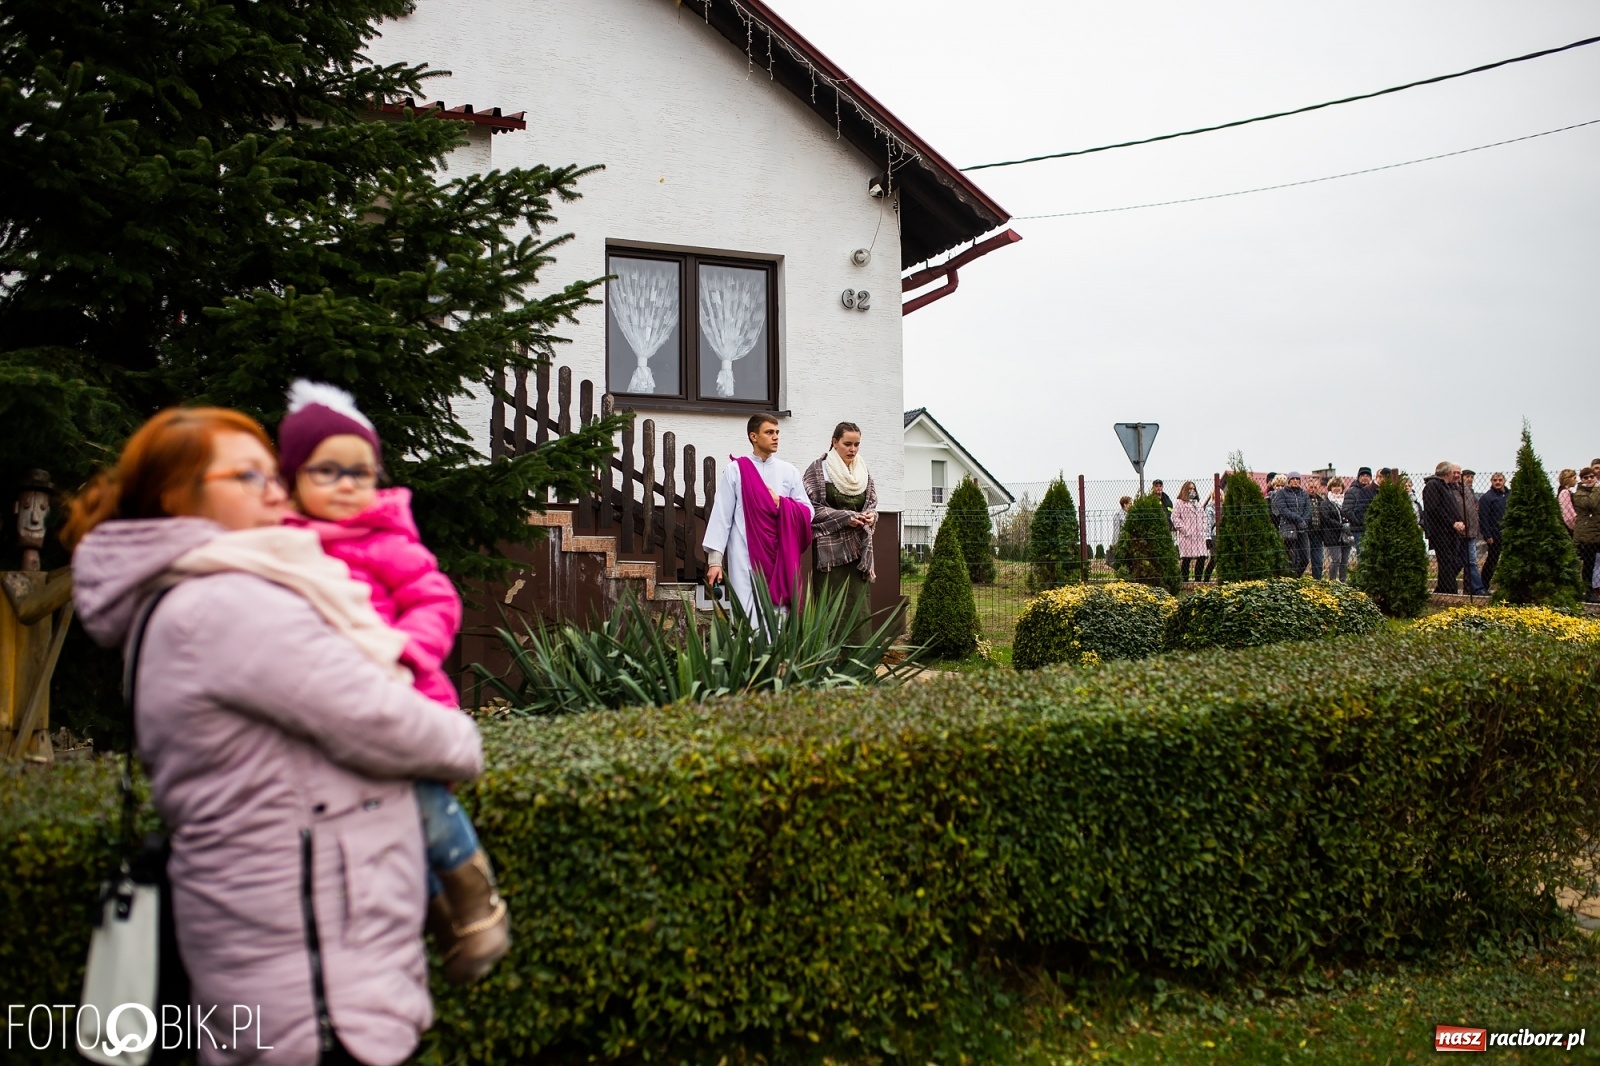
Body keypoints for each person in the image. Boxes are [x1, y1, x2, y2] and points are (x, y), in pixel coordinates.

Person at [66, 407, 483, 1066]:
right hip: (311, 992)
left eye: (272, 473)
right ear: (179, 496)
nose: (275, 490)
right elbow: (379, 719)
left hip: (282, 957)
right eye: (247, 475)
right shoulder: (226, 605)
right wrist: (460, 738)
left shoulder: (195, 593)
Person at [277, 381, 508, 985]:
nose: (348, 483)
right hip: (328, 711)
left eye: (361, 471)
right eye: (327, 470)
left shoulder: (387, 539)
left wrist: (405, 650)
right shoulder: (282, 549)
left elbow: (435, 600)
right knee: (388, 823)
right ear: (293, 476)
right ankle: (439, 918)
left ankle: (475, 897)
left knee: (425, 799)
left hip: (403, 696)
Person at [704, 413, 814, 619]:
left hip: (781, 557)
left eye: (777, 432)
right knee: (747, 613)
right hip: (744, 555)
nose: (776, 437)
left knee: (778, 616)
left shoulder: (789, 471)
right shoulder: (736, 470)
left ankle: (777, 652)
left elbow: (808, 512)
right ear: (753, 436)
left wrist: (781, 503)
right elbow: (722, 515)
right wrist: (715, 562)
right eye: (769, 432)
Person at [802, 422, 878, 644]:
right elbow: (810, 508)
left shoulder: (863, 472)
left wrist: (872, 516)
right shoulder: (817, 471)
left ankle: (859, 668)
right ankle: (830, 670)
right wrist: (846, 517)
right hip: (831, 556)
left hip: (858, 555)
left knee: (858, 607)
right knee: (831, 607)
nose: (852, 449)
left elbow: (872, 503)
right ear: (834, 442)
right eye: (847, 444)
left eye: (856, 444)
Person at [1421, 461, 1467, 594]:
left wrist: (1459, 521)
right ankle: (1448, 591)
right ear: (1447, 473)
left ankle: (1442, 588)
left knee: (1453, 561)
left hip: (1450, 531)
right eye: (1453, 472)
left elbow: (1451, 508)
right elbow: (1435, 509)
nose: (1456, 475)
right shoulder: (1433, 485)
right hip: (1440, 531)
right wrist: (1452, 522)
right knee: (1446, 561)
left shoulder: (1447, 486)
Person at [1271, 473, 1312, 577]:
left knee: (1305, 558)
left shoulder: (1304, 494)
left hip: (1302, 529)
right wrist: (1298, 519)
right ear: (1288, 481)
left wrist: (1304, 521)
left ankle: (1296, 577)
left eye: (1297, 479)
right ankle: (1288, 578)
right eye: (1292, 479)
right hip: (1288, 528)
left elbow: (1308, 509)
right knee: (1291, 557)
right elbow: (1283, 510)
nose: (1295, 481)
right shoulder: (1282, 493)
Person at [1170, 480, 1206, 582]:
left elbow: (1204, 517)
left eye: (1193, 488)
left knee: (1202, 557)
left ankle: (1198, 580)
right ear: (1185, 490)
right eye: (1190, 488)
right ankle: (1184, 581)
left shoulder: (1197, 503)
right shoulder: (1179, 503)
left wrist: (1203, 529)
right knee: (1186, 559)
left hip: (1199, 535)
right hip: (1187, 536)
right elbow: (1174, 518)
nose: (1192, 490)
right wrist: (1185, 530)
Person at [1573, 466, 1600, 597]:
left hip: (1598, 531)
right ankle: (1588, 591)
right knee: (1589, 564)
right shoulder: (1579, 493)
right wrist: (1596, 488)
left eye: (1592, 477)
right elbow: (1592, 504)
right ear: (1582, 479)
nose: (1589, 479)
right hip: (1587, 534)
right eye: (1586, 477)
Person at [1478, 471, 1509, 589]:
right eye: (1495, 480)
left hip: (1508, 533)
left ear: (1504, 481)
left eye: (1500, 480)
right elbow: (1483, 517)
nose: (1497, 482)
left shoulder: (1509, 495)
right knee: (1492, 561)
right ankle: (1484, 585)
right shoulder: (1487, 498)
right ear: (1491, 482)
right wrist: (1487, 535)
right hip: (1494, 535)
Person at [1459, 469, 1485, 595]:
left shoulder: (1470, 492)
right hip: (1462, 531)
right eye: (1467, 476)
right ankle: (1477, 588)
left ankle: (1472, 588)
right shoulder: (1458, 491)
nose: (1469, 479)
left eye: (1471, 477)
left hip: (1472, 531)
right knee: (1467, 562)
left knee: (1471, 562)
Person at [1342, 467, 1378, 560]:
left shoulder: (1373, 491)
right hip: (1358, 529)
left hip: (1373, 528)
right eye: (1362, 475)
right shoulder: (1352, 491)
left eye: (1367, 475)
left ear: (1371, 478)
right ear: (1358, 477)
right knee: (1362, 555)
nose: (1365, 477)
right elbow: (1346, 510)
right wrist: (1359, 520)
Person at [1318, 478, 1350, 582]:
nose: (1337, 488)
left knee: (1344, 561)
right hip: (1332, 536)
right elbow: (1326, 518)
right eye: (1334, 486)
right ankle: (1332, 581)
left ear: (1342, 488)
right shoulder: (1325, 503)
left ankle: (1343, 581)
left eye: (1339, 486)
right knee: (1336, 559)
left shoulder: (1346, 502)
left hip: (1346, 535)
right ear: (1330, 488)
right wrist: (1341, 526)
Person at [1201, 485, 1222, 582]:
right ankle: (1206, 578)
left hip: (1223, 534)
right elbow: (1208, 524)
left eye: (1221, 495)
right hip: (1214, 535)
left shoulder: (1224, 507)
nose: (1220, 497)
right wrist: (1208, 537)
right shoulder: (1209, 508)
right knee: (1214, 558)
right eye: (1218, 495)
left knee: (1219, 558)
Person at [1108, 495, 1132, 567]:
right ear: (1125, 504)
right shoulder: (1118, 515)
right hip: (1122, 541)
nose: (1131, 505)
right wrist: (1115, 543)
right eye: (1130, 503)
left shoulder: (1130, 514)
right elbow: (1116, 530)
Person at [1558, 468, 1578, 534]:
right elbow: (1568, 513)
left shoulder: (1564, 491)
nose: (1576, 480)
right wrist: (1575, 526)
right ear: (1569, 479)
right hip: (1569, 529)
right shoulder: (1565, 492)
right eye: (1574, 478)